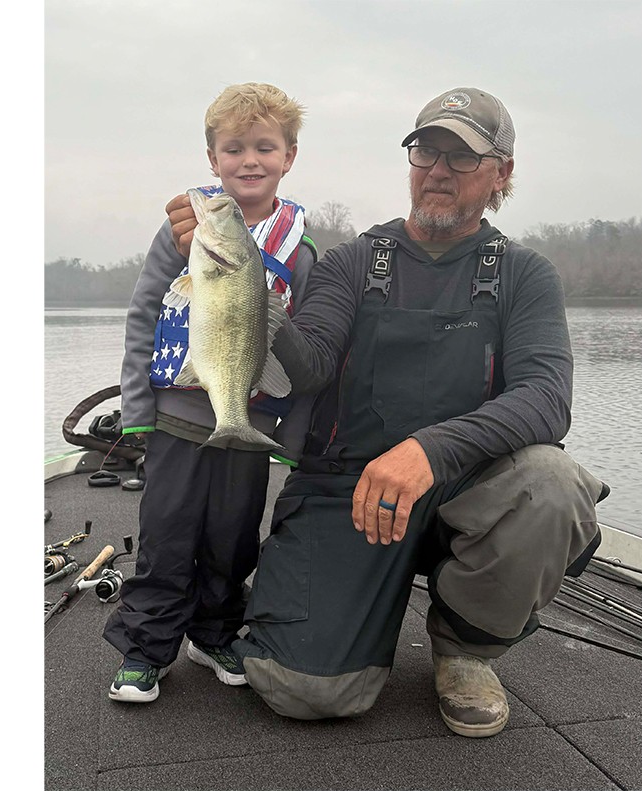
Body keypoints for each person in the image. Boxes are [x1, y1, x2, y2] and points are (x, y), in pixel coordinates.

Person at [167, 86, 608, 737]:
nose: (437, 170)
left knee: (551, 484)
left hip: (467, 492)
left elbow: (545, 398)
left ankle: (463, 649)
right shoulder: (353, 262)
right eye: (426, 150)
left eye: (460, 158)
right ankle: (336, 595)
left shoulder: (523, 273)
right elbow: (308, 365)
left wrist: (428, 451)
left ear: (501, 174)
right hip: (350, 491)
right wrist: (245, 288)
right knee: (303, 690)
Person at [102, 82, 317, 703]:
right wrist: (137, 412)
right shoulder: (183, 233)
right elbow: (144, 314)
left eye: (264, 147)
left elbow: (311, 346)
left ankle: (215, 630)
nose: (249, 160)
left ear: (289, 156)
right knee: (167, 538)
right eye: (234, 148)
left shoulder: (299, 249)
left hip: (248, 426)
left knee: (232, 537)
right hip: (174, 420)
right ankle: (145, 649)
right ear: (212, 158)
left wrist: (291, 438)